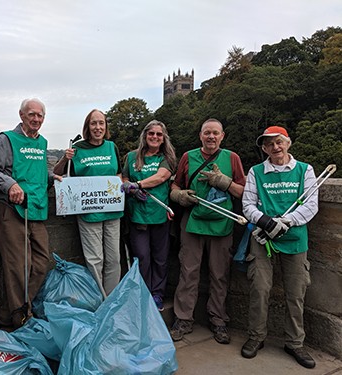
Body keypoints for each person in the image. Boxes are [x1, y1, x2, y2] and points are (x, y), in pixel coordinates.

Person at [0, 98, 61, 329]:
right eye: (31, 114)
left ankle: (10, 313)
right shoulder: (6, 139)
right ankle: (18, 318)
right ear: (21, 115)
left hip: (36, 208)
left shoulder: (42, 142)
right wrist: (10, 184)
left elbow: (38, 172)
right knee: (18, 266)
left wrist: (54, 178)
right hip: (12, 209)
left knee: (41, 262)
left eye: (40, 116)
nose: (36, 119)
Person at [240, 126, 318, 369]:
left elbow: (311, 204)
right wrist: (266, 222)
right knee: (259, 289)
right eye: (269, 144)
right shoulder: (256, 171)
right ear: (264, 148)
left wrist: (287, 222)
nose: (275, 147)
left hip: (295, 239)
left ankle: (295, 343)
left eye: (279, 142)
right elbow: (248, 204)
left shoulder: (305, 170)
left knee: (296, 294)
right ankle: (256, 337)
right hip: (263, 238)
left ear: (288, 143)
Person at [169, 118, 245, 344]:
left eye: (215, 133)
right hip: (193, 221)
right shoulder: (187, 157)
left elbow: (242, 191)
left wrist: (224, 182)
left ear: (222, 136)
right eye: (207, 133)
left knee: (219, 274)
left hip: (222, 222)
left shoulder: (232, 158)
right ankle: (183, 319)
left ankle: (218, 319)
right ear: (200, 135)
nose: (211, 137)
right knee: (188, 271)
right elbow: (175, 184)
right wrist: (178, 195)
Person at [53, 109, 123, 295]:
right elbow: (58, 174)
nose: (98, 127)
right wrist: (64, 158)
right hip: (88, 212)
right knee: (95, 259)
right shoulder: (77, 148)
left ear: (106, 126)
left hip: (112, 210)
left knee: (114, 258)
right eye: (94, 123)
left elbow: (118, 174)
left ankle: (111, 299)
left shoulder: (112, 147)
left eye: (101, 123)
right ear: (87, 126)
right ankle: (98, 299)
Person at [122, 120, 177, 311]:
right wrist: (130, 188)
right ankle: (143, 292)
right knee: (142, 256)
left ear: (163, 138)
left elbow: (161, 177)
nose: (154, 137)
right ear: (145, 135)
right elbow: (125, 178)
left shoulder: (166, 157)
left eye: (159, 134)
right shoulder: (131, 157)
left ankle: (157, 293)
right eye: (151, 133)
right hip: (137, 215)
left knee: (160, 258)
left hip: (159, 214)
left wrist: (138, 185)